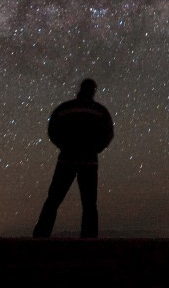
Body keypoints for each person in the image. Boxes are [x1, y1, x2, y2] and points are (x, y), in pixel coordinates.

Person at [33, 78, 114, 238]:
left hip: (66, 159)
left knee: (53, 199)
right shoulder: (100, 111)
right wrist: (95, 149)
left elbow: (52, 129)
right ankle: (89, 239)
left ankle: (40, 236)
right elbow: (108, 134)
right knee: (89, 204)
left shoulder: (65, 108)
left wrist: (64, 146)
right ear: (93, 91)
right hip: (89, 162)